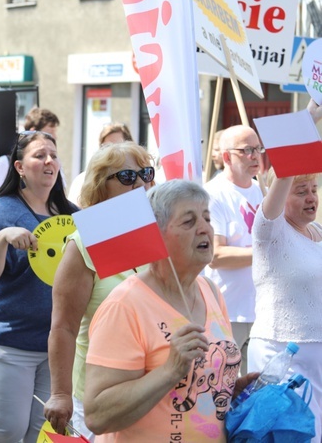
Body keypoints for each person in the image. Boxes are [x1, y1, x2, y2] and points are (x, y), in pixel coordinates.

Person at [84, 180, 257, 441]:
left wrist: (230, 387)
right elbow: (98, 415)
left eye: (207, 218)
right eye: (189, 222)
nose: (205, 229)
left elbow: (198, 385)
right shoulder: (125, 305)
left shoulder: (210, 290)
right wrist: (170, 370)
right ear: (157, 236)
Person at [0, 130, 78, 442]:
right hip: (8, 341)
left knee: (40, 431)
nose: (49, 161)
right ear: (19, 167)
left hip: (57, 343)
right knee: (6, 427)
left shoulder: (72, 214)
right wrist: (3, 238)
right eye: (40, 155)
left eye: (54, 156)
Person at [45, 141, 154, 439]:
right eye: (128, 177)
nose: (141, 183)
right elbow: (63, 327)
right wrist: (60, 394)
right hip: (97, 394)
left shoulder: (161, 237)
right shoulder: (84, 243)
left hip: (154, 389)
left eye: (146, 173)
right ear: (100, 186)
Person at [248, 98, 322, 437]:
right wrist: (307, 118)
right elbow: (284, 171)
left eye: (315, 189)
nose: (311, 197)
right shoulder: (269, 232)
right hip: (280, 355)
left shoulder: (317, 233)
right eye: (301, 191)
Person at [204, 125, 264, 375]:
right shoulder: (213, 194)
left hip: (262, 309)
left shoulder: (262, 190)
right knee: (222, 386)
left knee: (256, 388)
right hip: (228, 311)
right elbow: (215, 256)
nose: (255, 156)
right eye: (247, 150)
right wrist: (264, 253)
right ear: (227, 157)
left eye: (258, 149)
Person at [0, 107, 61, 192]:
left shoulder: (55, 163)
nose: (55, 137)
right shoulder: (5, 162)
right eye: (49, 133)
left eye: (53, 156)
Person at [67, 122, 133, 205]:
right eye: (107, 147)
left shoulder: (139, 180)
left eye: (118, 146)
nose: (112, 151)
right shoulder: (82, 180)